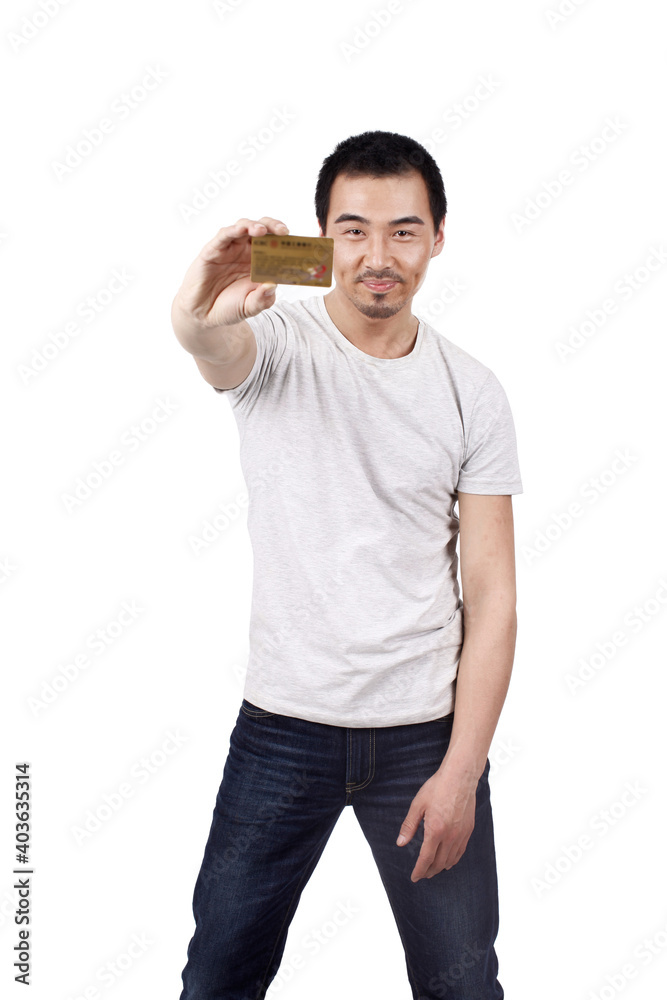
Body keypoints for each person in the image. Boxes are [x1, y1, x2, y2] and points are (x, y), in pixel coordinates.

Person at [171, 130, 522, 1000]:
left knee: (464, 989)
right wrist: (194, 308)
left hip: (423, 738)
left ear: (436, 238)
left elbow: (493, 597)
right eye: (353, 229)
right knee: (216, 980)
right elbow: (212, 347)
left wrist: (462, 774)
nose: (377, 256)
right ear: (323, 237)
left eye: (403, 231)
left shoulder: (470, 390)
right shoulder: (276, 341)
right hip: (282, 729)